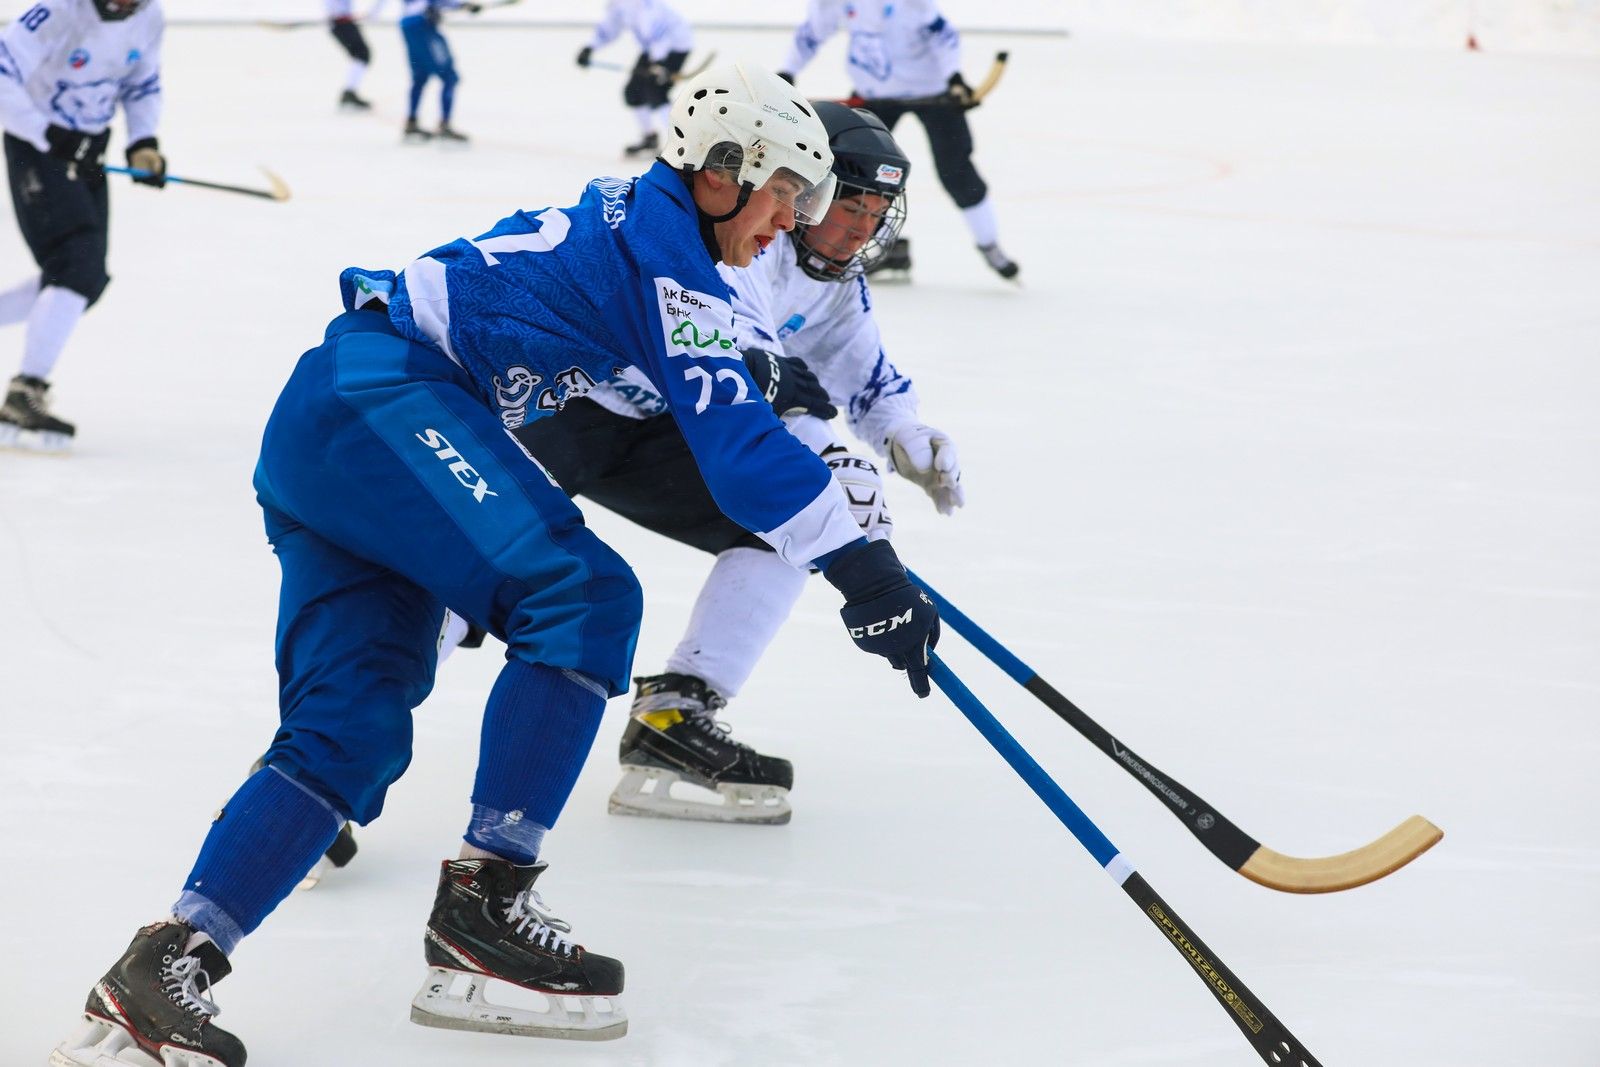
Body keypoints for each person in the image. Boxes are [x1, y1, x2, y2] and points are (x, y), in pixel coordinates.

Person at [47, 64, 939, 1066]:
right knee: (585, 593)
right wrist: (865, 569)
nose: (790, 222)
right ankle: (487, 903)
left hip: (342, 424)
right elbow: (734, 450)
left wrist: (806, 442)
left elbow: (709, 394)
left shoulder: (660, 234)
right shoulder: (668, 254)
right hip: (382, 397)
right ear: (723, 171)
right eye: (783, 193)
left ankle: (166, 965)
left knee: (351, 729)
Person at [490, 101, 962, 825]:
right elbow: (747, 391)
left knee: (781, 529)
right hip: (563, 406)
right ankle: (326, 765)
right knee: (466, 588)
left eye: (878, 212)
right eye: (851, 205)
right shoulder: (748, 242)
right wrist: (834, 467)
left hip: (658, 430)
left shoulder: (834, 280)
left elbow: (859, 375)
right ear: (803, 192)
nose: (863, 228)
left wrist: (902, 432)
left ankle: (673, 719)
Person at [0, 0, 166, 452]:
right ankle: (25, 388)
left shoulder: (149, 17)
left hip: (88, 145)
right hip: (37, 145)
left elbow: (141, 84)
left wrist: (142, 142)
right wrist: (45, 132)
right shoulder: (57, 11)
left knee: (85, 279)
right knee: (76, 261)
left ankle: (27, 385)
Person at [778, 0, 1020, 282]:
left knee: (956, 171)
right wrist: (788, 71)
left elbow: (942, 36)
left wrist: (953, 77)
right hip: (876, 93)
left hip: (933, 92)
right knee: (857, 173)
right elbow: (814, 31)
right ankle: (879, 246)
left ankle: (989, 243)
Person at [575, 0, 693, 158]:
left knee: (656, 91)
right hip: (652, 50)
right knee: (633, 93)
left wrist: (658, 63)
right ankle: (649, 138)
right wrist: (590, 47)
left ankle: (679, 145)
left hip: (674, 47)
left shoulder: (648, 5)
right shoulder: (619, 4)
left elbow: (659, 32)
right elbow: (610, 27)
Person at [398, 0, 479, 142]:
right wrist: (463, 6)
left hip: (410, 26)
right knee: (449, 77)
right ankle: (444, 125)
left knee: (420, 76)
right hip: (422, 28)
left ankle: (411, 122)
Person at [327, 0, 379, 110]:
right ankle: (349, 91)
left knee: (361, 55)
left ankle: (350, 90)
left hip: (342, 22)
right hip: (341, 22)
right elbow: (336, 9)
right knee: (362, 55)